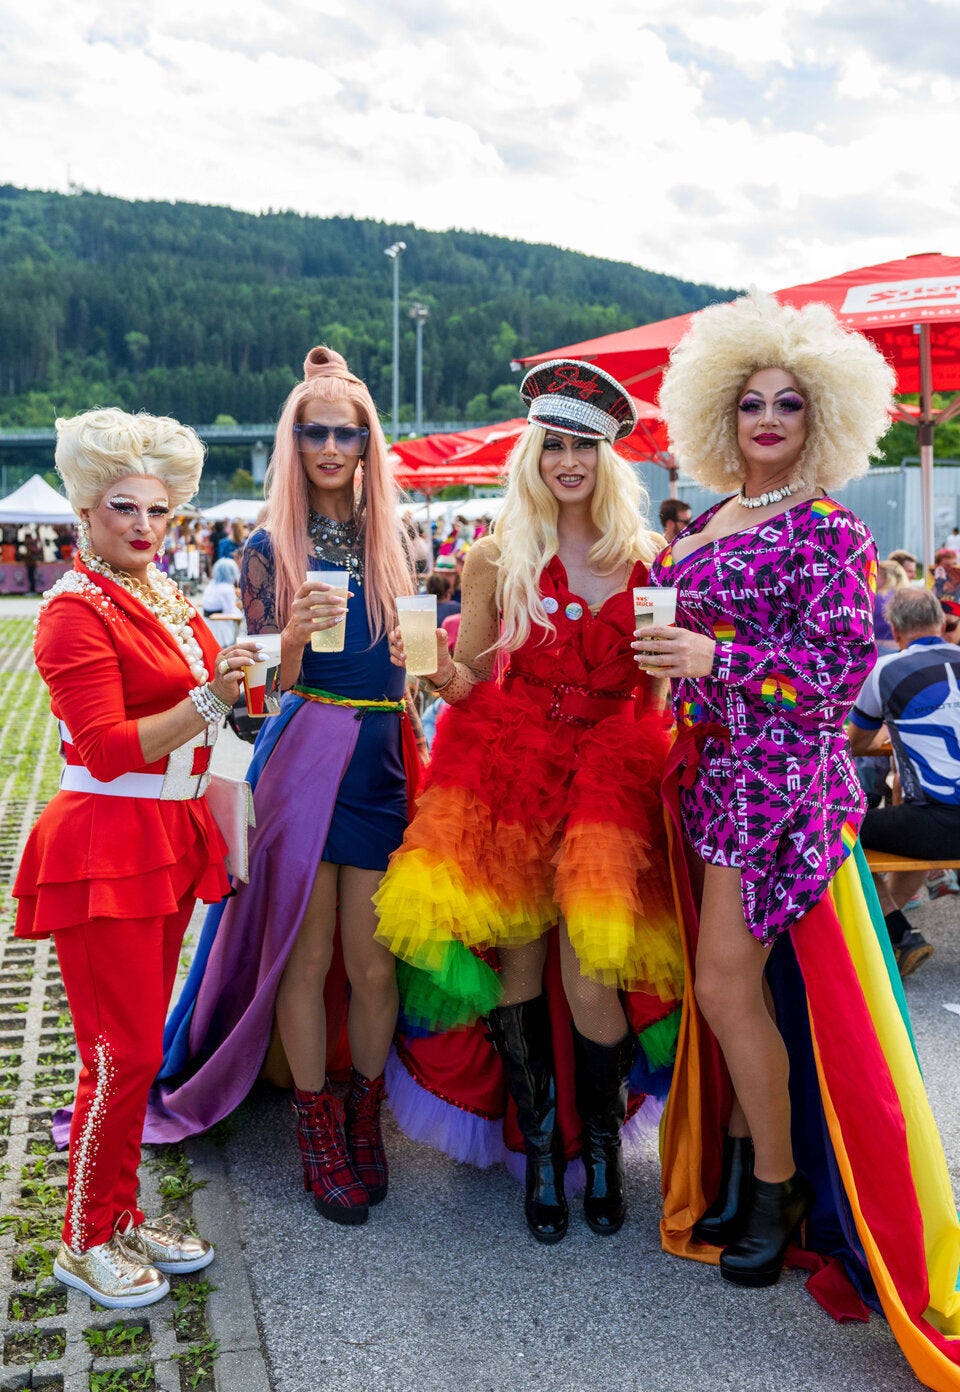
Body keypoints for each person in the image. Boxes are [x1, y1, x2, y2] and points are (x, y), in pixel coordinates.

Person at [640, 294, 960, 1387]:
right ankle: (739, 1164)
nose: (768, 417)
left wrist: (709, 665)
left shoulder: (830, 531)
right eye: (750, 401)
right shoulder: (705, 523)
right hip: (706, 777)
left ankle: (774, 1187)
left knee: (732, 991)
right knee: (724, 994)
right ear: (718, 416)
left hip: (783, 790)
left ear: (821, 418)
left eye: (789, 402)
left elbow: (830, 687)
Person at [375, 359, 682, 1244]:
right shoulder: (493, 555)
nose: (568, 461)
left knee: (593, 977)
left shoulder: (647, 560)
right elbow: (468, 678)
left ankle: (598, 1153)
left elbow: (654, 704)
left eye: (584, 446)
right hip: (509, 768)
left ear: (609, 459)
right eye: (553, 444)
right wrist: (428, 666)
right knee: (516, 966)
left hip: (607, 779)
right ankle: (542, 1157)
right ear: (532, 456)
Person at [148, 347, 419, 1230]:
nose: (333, 446)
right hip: (305, 754)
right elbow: (260, 695)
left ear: (369, 442)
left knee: (374, 963)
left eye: (349, 431)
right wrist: (292, 638)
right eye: (317, 432)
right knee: (305, 959)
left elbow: (417, 665)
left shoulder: (396, 538)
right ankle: (314, 1125)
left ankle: (363, 1113)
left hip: (382, 756)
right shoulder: (269, 547)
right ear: (294, 442)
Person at [12, 408, 258, 1308]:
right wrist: (208, 697)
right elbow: (109, 747)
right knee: (114, 1056)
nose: (145, 526)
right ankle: (80, 1239)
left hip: (167, 838)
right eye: (125, 508)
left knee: (140, 1047)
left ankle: (118, 1214)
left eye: (159, 510)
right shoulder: (72, 610)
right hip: (102, 846)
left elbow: (218, 720)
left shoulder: (167, 596)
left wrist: (232, 706)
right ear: (85, 510)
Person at [849, 587, 960, 977]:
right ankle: (891, 930)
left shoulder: (886, 669)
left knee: (834, 828)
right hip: (933, 822)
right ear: (944, 624)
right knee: (905, 818)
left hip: (935, 824)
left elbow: (855, 743)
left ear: (895, 632)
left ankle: (899, 933)